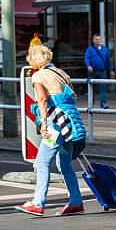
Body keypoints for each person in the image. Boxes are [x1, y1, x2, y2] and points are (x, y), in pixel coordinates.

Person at [15, 44, 86, 217]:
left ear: (34, 60)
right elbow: (74, 97)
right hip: (70, 123)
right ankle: (76, 202)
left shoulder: (39, 75)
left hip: (55, 124)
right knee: (65, 164)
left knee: (42, 162)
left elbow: (42, 100)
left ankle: (37, 203)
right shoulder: (62, 73)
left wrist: (44, 124)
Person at [84, 33, 113, 109]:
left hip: (102, 71)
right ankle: (91, 104)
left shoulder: (105, 49)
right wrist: (88, 66)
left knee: (103, 88)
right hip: (92, 71)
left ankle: (103, 104)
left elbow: (108, 60)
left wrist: (111, 70)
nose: (98, 41)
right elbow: (86, 58)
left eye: (99, 39)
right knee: (91, 89)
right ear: (93, 40)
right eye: (96, 39)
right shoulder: (90, 49)